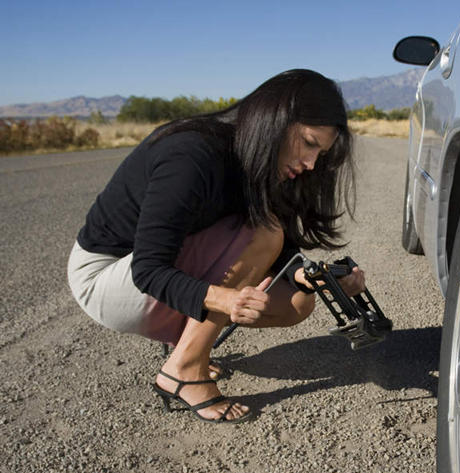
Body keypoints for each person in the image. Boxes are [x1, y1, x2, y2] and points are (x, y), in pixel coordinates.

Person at [67, 69, 365, 424]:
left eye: (321, 153)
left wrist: (311, 277)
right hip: (106, 277)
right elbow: (148, 269)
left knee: (298, 303)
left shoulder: (258, 161)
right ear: (276, 121)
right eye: (309, 143)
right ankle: (184, 370)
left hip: (149, 274)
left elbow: (279, 252)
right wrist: (223, 299)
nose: (311, 164)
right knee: (266, 232)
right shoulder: (192, 155)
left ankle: (187, 348)